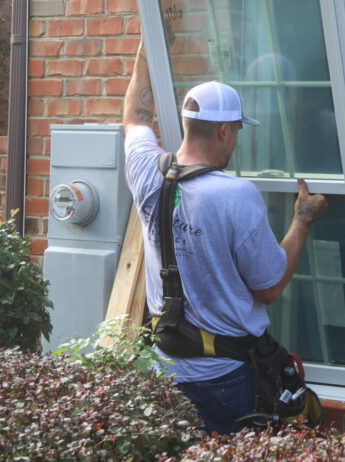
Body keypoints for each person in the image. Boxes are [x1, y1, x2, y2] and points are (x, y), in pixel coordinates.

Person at [122, 41, 328, 435]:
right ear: (223, 130)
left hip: (163, 369)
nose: (235, 139)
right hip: (222, 378)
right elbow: (268, 287)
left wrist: (145, 50)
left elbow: (134, 116)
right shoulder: (235, 195)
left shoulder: (146, 172)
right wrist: (301, 220)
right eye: (235, 130)